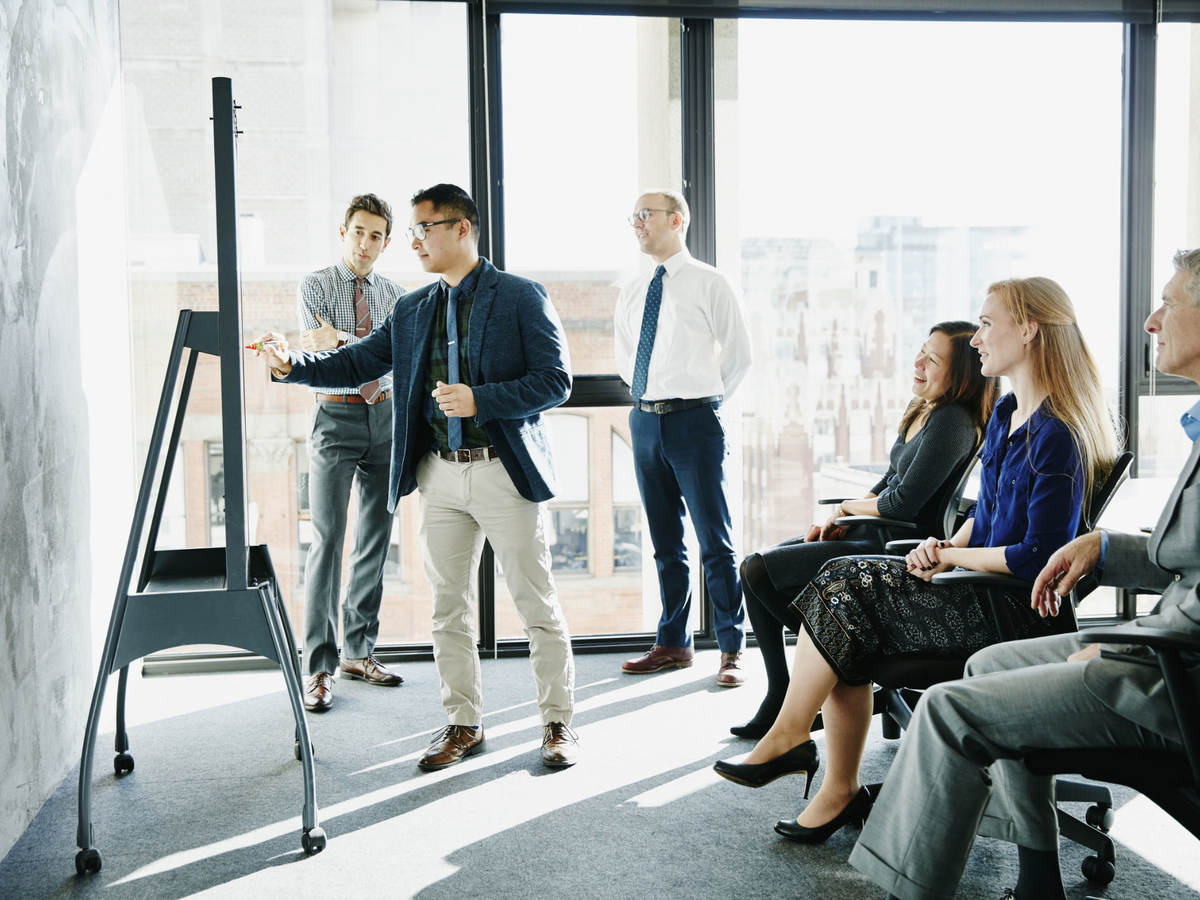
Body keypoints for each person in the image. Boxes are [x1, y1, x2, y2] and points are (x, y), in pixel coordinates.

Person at [713, 276, 1117, 851]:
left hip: (1018, 613)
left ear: (1027, 330)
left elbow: (1035, 558)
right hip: (974, 586)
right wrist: (947, 542)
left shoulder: (1059, 433)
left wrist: (949, 552)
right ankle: (832, 779)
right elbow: (990, 512)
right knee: (842, 601)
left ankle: (797, 742)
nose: (977, 340)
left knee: (842, 589)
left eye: (986, 323)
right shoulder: (1006, 415)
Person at [848, 250, 1200, 900]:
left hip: (1171, 672)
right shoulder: (1016, 419)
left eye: (1170, 304)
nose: (1151, 321)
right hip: (1156, 647)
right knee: (984, 668)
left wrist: (1129, 642)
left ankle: (900, 883)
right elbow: (1190, 560)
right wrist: (1105, 547)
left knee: (950, 706)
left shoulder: (1055, 431)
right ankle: (1038, 877)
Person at [253, 183, 579, 770]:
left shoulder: (522, 297)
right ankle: (462, 723)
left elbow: (556, 382)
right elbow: (356, 361)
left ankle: (557, 723)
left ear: (461, 229)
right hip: (439, 477)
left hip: (504, 473)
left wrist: (481, 400)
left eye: (423, 229)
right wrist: (290, 364)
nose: (413, 242)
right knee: (447, 608)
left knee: (535, 604)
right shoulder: (414, 308)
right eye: (412, 231)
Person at [732, 321, 999, 739]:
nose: (918, 362)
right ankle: (799, 678)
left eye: (933, 358)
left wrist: (846, 509)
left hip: (897, 544)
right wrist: (840, 521)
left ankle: (836, 655)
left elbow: (903, 503)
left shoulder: (953, 422)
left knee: (759, 571)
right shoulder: (924, 411)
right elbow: (887, 483)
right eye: (920, 350)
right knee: (755, 568)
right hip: (870, 530)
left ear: (961, 373)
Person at [614, 189, 753, 686]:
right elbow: (625, 356)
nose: (636, 223)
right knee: (665, 542)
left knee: (715, 540)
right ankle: (673, 642)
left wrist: (705, 402)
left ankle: (732, 648)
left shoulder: (710, 282)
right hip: (645, 422)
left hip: (695, 421)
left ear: (676, 220)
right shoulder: (633, 288)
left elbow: (738, 356)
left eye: (644, 215)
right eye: (632, 217)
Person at [297, 193, 408, 713]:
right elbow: (321, 348)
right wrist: (356, 345)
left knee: (376, 539)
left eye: (376, 236)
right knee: (327, 539)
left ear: (386, 243)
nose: (366, 243)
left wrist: (345, 342)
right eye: (359, 232)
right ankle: (319, 666)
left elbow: (395, 357)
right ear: (344, 232)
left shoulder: (397, 296)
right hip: (334, 416)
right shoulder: (314, 284)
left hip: (384, 415)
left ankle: (358, 651)